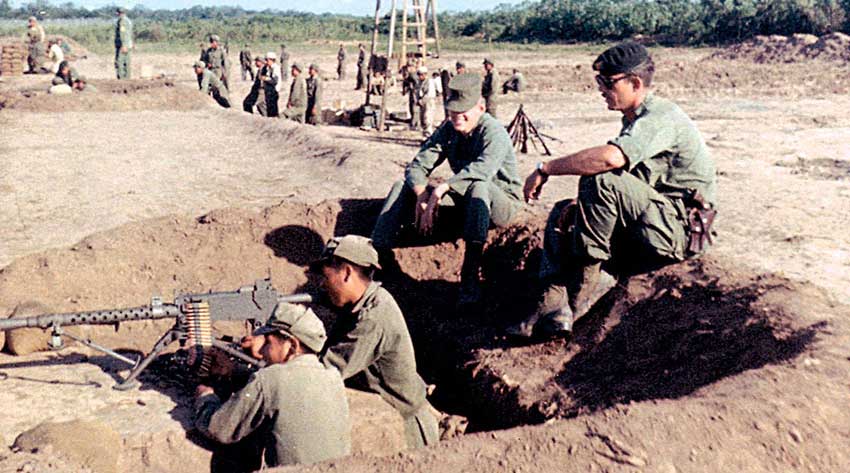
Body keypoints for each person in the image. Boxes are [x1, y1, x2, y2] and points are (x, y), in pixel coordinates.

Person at [507, 42, 718, 339]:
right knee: (562, 211)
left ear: (635, 83)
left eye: (607, 82)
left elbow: (610, 160)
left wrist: (546, 169)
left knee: (599, 179)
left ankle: (585, 291)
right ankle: (552, 305)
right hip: (653, 222)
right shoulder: (633, 120)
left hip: (678, 232)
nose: (601, 89)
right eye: (598, 82)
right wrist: (581, 206)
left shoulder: (661, 118)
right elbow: (631, 183)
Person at [371, 74, 523, 308]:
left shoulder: (494, 132)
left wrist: (442, 188)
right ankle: (378, 256)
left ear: (481, 107)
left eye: (463, 112)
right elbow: (417, 165)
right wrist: (422, 194)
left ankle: (469, 279)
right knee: (402, 187)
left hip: (499, 204)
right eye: (452, 112)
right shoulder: (449, 129)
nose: (457, 118)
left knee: (478, 187)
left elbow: (483, 170)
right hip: (466, 200)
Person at [313, 235, 440, 449]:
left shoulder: (373, 317)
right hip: (393, 417)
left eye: (325, 276)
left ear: (346, 273)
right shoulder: (365, 303)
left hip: (406, 428)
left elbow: (326, 372)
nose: (321, 283)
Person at [195, 303, 351, 469]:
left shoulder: (270, 379)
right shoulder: (332, 376)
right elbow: (286, 385)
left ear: (292, 345)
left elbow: (219, 429)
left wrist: (205, 397)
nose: (263, 351)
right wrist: (233, 370)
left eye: (268, 343)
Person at [415, 67, 441, 137]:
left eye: (420, 74)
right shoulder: (420, 83)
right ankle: (425, 136)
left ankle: (429, 135)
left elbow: (429, 93)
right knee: (423, 119)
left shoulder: (429, 82)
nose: (419, 76)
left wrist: (422, 100)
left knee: (427, 119)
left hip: (429, 102)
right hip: (422, 103)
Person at [114, 7, 133, 79]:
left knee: (120, 62)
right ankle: (127, 79)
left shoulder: (122, 21)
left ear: (120, 13)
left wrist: (123, 45)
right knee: (127, 62)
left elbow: (123, 34)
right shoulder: (128, 20)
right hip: (128, 45)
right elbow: (130, 34)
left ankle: (121, 80)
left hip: (123, 46)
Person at [401, 63, 420, 130]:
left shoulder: (414, 75)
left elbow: (417, 84)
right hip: (412, 93)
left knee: (415, 108)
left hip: (416, 93)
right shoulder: (410, 75)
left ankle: (414, 124)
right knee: (412, 108)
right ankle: (414, 122)